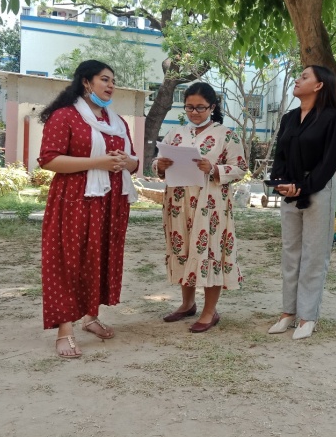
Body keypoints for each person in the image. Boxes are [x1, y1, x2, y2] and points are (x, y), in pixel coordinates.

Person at [37, 60, 139, 358]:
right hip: (75, 200)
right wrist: (99, 162)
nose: (111, 85)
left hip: (110, 201)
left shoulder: (117, 122)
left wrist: (126, 161)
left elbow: (134, 163)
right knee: (69, 261)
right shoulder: (65, 116)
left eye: (113, 81)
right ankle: (64, 331)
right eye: (104, 79)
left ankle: (90, 317)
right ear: (86, 82)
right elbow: (49, 159)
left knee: (99, 258)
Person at [153, 82, 248, 333]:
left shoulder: (226, 134)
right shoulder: (175, 133)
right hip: (178, 203)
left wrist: (214, 168)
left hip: (210, 205)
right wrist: (160, 165)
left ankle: (209, 311)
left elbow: (240, 168)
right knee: (183, 249)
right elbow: (158, 162)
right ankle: (187, 304)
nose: (194, 112)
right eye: (189, 107)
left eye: (200, 107)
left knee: (209, 251)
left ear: (212, 107)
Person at [267, 65, 336, 340]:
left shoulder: (331, 118)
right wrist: (281, 183)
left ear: (319, 85)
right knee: (290, 251)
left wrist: (304, 187)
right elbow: (281, 155)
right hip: (290, 188)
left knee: (314, 253)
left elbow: (331, 161)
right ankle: (288, 312)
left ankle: (307, 316)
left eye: (304, 77)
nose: (297, 80)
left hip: (319, 188)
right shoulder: (289, 118)